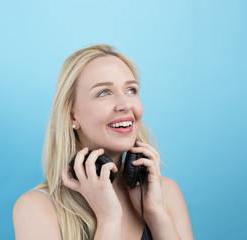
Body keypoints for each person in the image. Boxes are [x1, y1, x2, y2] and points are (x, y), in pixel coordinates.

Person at [13, 44, 194, 240]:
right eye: (103, 93)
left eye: (131, 90)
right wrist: (109, 219)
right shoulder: (36, 208)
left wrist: (155, 214)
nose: (125, 105)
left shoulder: (165, 193)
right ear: (72, 116)